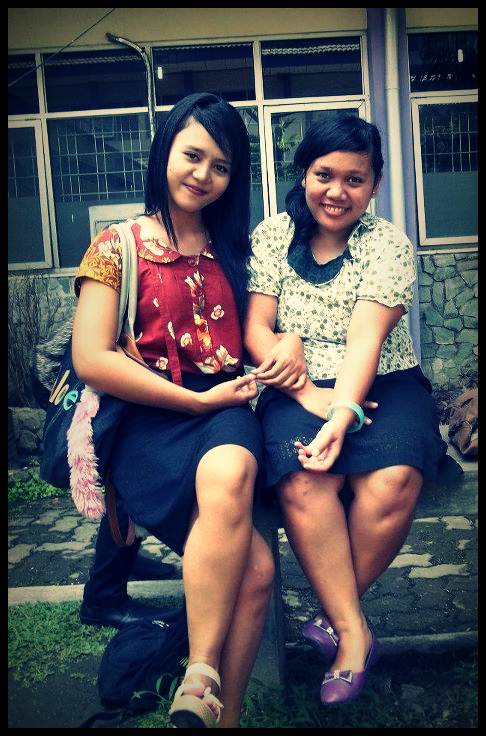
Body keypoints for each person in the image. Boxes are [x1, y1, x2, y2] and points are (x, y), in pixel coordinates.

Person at [71, 92, 275, 729]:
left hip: (225, 408)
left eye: (221, 166)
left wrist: (287, 343)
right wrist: (191, 399)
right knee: (256, 574)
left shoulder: (238, 249)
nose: (203, 175)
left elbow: (267, 328)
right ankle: (220, 707)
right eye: (193, 155)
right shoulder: (118, 244)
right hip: (150, 420)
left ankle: (202, 677)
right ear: (165, 151)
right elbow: (92, 358)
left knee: (231, 471)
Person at [244, 115, 459, 706]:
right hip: (293, 383)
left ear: (374, 184)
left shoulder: (387, 245)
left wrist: (340, 415)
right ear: (304, 174)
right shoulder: (273, 235)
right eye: (324, 175)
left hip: (384, 380)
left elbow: (366, 340)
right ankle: (355, 633)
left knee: (395, 478)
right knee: (304, 477)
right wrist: (305, 393)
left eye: (354, 179)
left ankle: (334, 619)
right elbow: (257, 327)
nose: (336, 192)